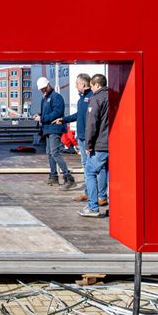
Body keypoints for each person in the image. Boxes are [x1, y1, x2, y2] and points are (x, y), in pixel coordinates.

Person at [32, 77, 74, 189]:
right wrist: (39, 116)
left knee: (54, 152)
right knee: (50, 153)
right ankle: (54, 176)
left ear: (48, 85)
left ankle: (68, 176)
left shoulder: (56, 97)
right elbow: (47, 113)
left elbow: (57, 112)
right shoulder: (45, 98)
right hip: (48, 129)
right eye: (42, 89)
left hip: (55, 129)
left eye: (44, 88)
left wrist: (42, 118)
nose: (43, 91)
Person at [81, 73, 109, 217]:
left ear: (97, 85)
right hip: (110, 144)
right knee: (105, 171)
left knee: (90, 172)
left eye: (91, 85)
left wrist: (88, 144)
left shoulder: (96, 99)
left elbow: (92, 124)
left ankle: (92, 207)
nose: (90, 88)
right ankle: (104, 198)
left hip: (99, 144)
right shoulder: (112, 97)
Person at [62, 74, 93, 203]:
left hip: (87, 138)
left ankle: (93, 194)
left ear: (84, 85)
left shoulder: (91, 98)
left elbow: (92, 121)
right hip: (81, 137)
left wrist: (89, 139)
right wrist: (64, 119)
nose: (75, 86)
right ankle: (88, 192)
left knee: (90, 167)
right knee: (85, 166)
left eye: (77, 84)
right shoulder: (81, 100)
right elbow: (78, 115)